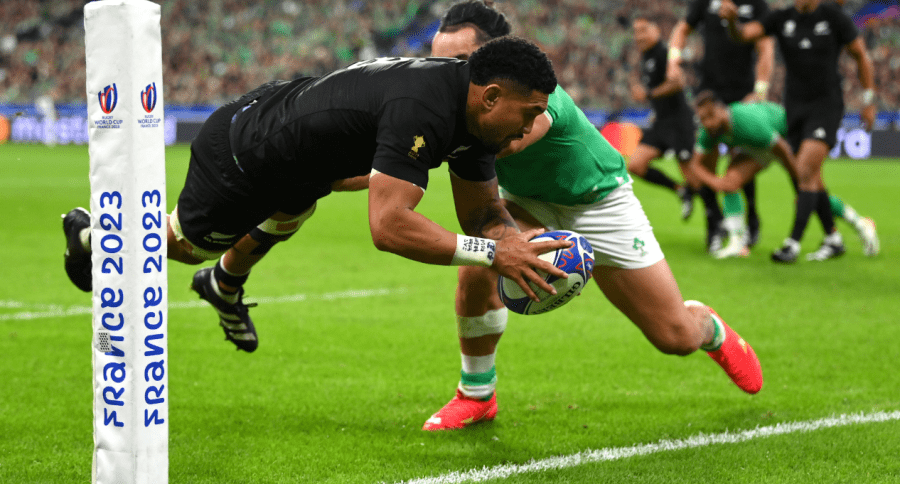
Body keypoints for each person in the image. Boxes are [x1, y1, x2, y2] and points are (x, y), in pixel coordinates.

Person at [62, 36, 575, 353]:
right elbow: (389, 227)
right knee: (183, 245)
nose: (531, 128)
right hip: (245, 153)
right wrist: (494, 252)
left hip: (300, 156)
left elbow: (484, 211)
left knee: (293, 211)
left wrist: (521, 249)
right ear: (491, 97)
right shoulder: (425, 107)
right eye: (529, 114)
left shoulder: (477, 124)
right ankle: (90, 232)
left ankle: (221, 286)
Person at [422, 1, 763, 432]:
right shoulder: (452, 102)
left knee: (673, 338)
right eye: (435, 63)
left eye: (456, 64)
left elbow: (505, 144)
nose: (441, 75)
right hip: (527, 200)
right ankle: (476, 394)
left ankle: (707, 326)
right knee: (481, 259)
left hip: (599, 202)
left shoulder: (532, 102)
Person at [719, 0, 878, 262]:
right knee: (813, 179)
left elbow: (860, 54)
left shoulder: (834, 17)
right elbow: (745, 35)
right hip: (794, 108)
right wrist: (732, 22)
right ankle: (838, 236)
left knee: (804, 171)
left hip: (826, 105)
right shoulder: (781, 18)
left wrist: (869, 100)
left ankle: (792, 243)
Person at [688, 91, 879, 259]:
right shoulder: (709, 131)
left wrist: (799, 183)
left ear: (722, 110)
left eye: (711, 116)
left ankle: (861, 223)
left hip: (786, 138)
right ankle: (737, 243)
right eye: (703, 119)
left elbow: (783, 150)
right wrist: (716, 182)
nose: (708, 123)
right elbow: (695, 164)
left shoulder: (746, 122)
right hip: (757, 148)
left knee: (810, 191)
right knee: (729, 183)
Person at [668, 0, 775, 249]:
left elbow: (765, 45)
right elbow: (683, 29)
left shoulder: (757, 5)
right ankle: (714, 224)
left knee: (741, 158)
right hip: (709, 92)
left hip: (743, 92)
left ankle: (751, 220)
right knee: (706, 160)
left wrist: (760, 88)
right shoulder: (704, 3)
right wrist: (673, 60)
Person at [627, 16, 697, 226]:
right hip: (661, 121)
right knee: (636, 165)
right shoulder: (646, 56)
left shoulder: (663, 52)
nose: (639, 36)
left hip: (679, 121)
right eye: (636, 31)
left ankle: (717, 224)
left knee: (694, 175)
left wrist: (648, 94)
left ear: (656, 30)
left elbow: (677, 82)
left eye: (644, 30)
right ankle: (680, 190)